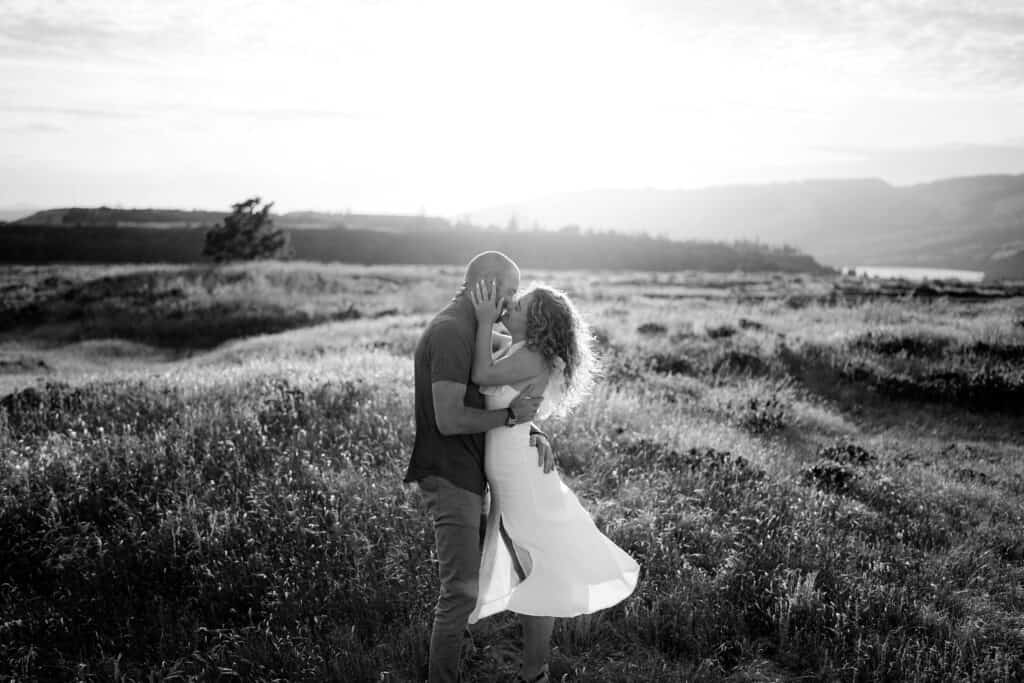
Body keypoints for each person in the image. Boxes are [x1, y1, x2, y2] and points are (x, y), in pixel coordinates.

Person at [466, 279, 640, 683]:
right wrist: (478, 321)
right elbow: (480, 346)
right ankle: (535, 670)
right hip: (512, 468)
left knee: (537, 565)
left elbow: (480, 372)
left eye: (520, 305)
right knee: (531, 563)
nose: (510, 306)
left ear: (538, 322)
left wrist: (484, 320)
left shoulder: (531, 357)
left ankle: (535, 673)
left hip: (520, 477)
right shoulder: (521, 348)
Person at [404, 251, 555, 683]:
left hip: (474, 472)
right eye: (508, 291)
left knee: (485, 581)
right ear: (484, 285)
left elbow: (507, 386)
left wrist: (532, 430)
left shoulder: (473, 327)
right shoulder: (453, 331)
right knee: (460, 593)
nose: (510, 303)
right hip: (451, 474)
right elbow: (450, 419)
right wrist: (511, 419)